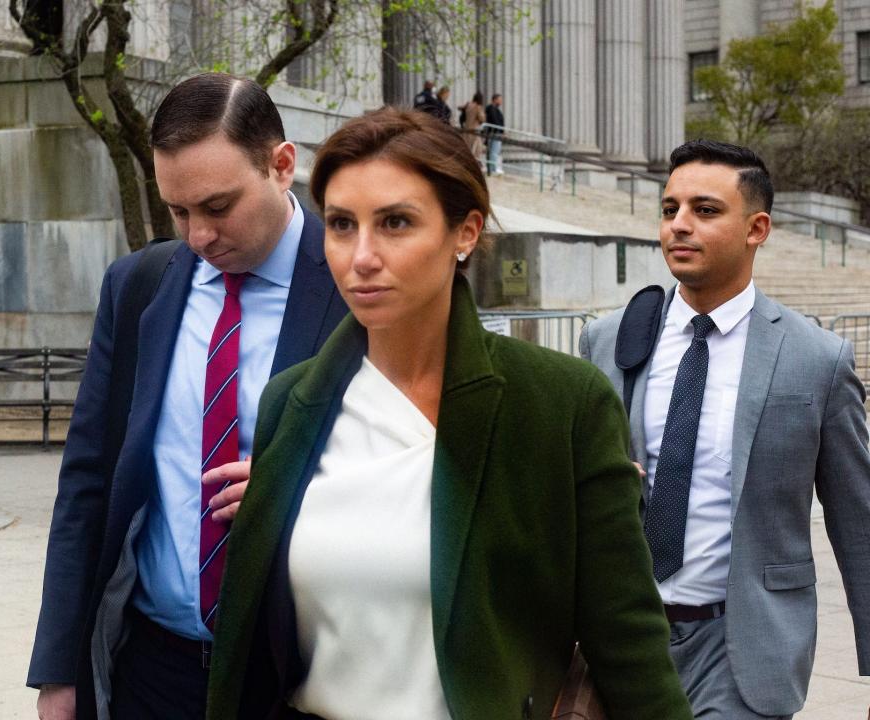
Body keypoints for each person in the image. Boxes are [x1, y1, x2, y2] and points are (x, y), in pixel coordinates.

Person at [205, 107, 693, 720]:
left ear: (465, 232)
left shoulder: (562, 404)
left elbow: (628, 642)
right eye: (340, 224)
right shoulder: (292, 402)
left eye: (396, 223)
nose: (362, 256)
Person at [27, 73, 347, 720]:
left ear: (282, 165)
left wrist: (305, 489)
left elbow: (428, 460)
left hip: (304, 680)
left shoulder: (354, 284)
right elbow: (87, 481)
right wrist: (58, 669)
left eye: (218, 206)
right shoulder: (138, 286)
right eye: (178, 211)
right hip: (152, 669)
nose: (198, 235)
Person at [580, 139, 870, 719]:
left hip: (743, 650)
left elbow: (859, 523)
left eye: (705, 211)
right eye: (670, 210)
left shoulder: (817, 358)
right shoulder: (609, 340)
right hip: (620, 644)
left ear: (756, 228)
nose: (679, 226)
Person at [459, 90, 486, 165]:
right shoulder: (478, 107)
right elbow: (482, 118)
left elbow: (459, 107)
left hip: (467, 129)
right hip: (475, 130)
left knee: (468, 147)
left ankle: (468, 162)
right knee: (477, 148)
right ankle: (474, 163)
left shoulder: (468, 105)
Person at [484, 93, 504, 176]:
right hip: (494, 133)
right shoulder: (491, 108)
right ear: (495, 99)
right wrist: (500, 130)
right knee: (494, 151)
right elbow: (494, 121)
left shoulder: (495, 109)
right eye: (500, 99)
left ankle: (493, 167)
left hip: (496, 133)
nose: (501, 101)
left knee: (495, 150)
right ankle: (492, 168)